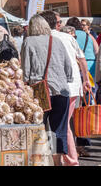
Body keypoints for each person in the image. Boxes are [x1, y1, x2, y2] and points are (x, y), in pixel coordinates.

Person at [39, 11, 91, 166]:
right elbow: (82, 60)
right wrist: (86, 80)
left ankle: (70, 160)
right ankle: (64, 159)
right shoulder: (68, 37)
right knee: (63, 125)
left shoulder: (42, 39)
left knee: (61, 126)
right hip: (73, 86)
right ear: (56, 24)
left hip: (54, 87)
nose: (61, 24)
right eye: (59, 21)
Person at [21, 14, 72, 166]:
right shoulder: (56, 41)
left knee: (37, 128)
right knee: (59, 129)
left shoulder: (28, 41)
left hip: (39, 92)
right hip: (61, 91)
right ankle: (58, 162)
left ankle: (38, 161)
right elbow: (68, 69)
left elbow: (25, 70)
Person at [66, 16, 98, 157]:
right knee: (86, 107)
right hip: (90, 72)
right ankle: (83, 144)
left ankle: (75, 146)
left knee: (75, 111)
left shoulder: (68, 37)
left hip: (76, 73)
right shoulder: (88, 35)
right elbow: (96, 50)